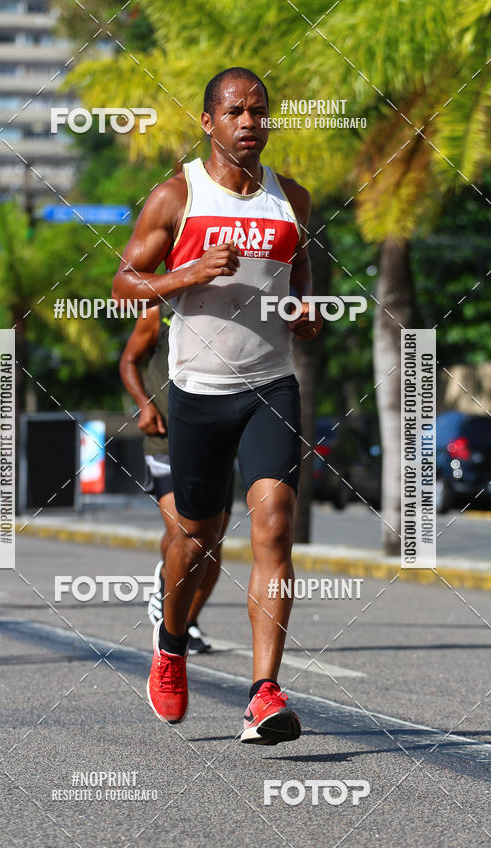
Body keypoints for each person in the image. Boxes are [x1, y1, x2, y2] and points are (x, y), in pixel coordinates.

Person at [112, 67, 322, 744]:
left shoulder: (293, 200)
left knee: (274, 527)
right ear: (209, 122)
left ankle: (263, 692)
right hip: (199, 394)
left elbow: (301, 273)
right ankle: (170, 643)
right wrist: (188, 273)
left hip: (270, 386)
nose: (250, 123)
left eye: (259, 112)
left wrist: (305, 310)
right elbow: (123, 285)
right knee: (195, 538)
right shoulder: (177, 195)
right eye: (235, 112)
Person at [119, 304, 234, 653]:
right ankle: (170, 608)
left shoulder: (231, 309)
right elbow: (128, 361)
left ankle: (187, 622)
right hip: (164, 440)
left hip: (215, 442)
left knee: (210, 544)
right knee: (185, 533)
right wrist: (144, 403)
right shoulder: (157, 310)